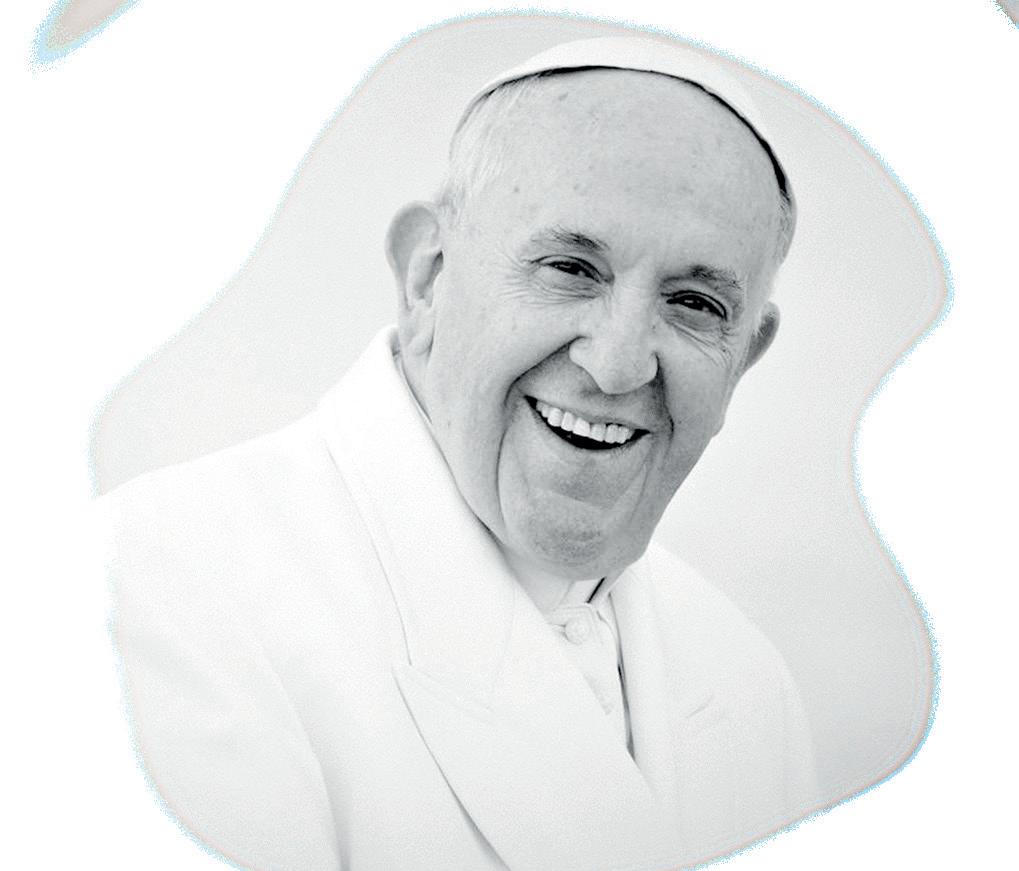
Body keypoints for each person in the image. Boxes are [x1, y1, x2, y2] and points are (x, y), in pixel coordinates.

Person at [104, 35, 817, 871]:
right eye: (570, 267)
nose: (618, 363)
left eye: (694, 304)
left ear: (744, 356)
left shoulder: (746, 679)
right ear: (426, 276)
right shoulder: (151, 596)